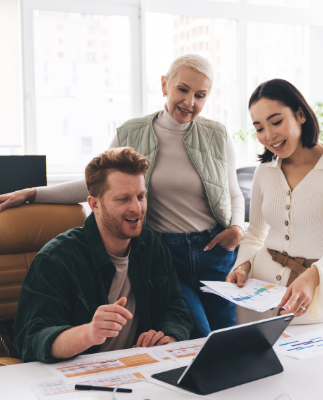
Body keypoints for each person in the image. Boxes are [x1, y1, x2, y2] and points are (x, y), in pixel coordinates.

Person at [0, 54, 244, 338]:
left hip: (214, 251)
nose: (190, 102)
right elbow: (98, 184)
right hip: (166, 254)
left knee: (229, 340)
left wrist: (237, 229)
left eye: (200, 95)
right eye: (183, 89)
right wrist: (33, 194)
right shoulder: (132, 132)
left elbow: (234, 193)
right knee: (198, 338)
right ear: (165, 84)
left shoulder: (217, 134)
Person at [14, 147, 192, 363]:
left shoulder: (150, 243)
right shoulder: (56, 259)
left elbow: (176, 307)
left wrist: (169, 337)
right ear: (94, 204)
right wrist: (88, 333)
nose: (137, 208)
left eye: (141, 196)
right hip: (79, 377)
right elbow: (32, 339)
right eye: (123, 199)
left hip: (138, 368)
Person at [225, 79, 323, 325]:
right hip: (256, 293)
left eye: (276, 122)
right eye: (259, 128)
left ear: (300, 114)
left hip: (309, 296)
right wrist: (242, 265)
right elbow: (255, 234)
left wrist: (313, 277)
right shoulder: (265, 171)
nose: (268, 136)